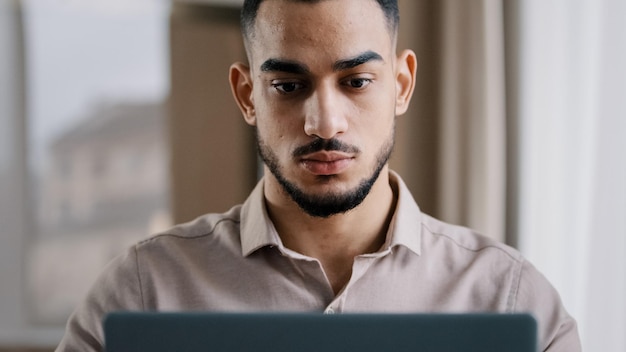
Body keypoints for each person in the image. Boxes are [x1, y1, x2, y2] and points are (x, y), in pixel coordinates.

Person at [57, 0, 581, 351]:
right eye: (288, 85)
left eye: (356, 81)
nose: (324, 123)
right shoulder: (144, 290)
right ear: (247, 96)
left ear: (401, 85)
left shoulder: (510, 298)